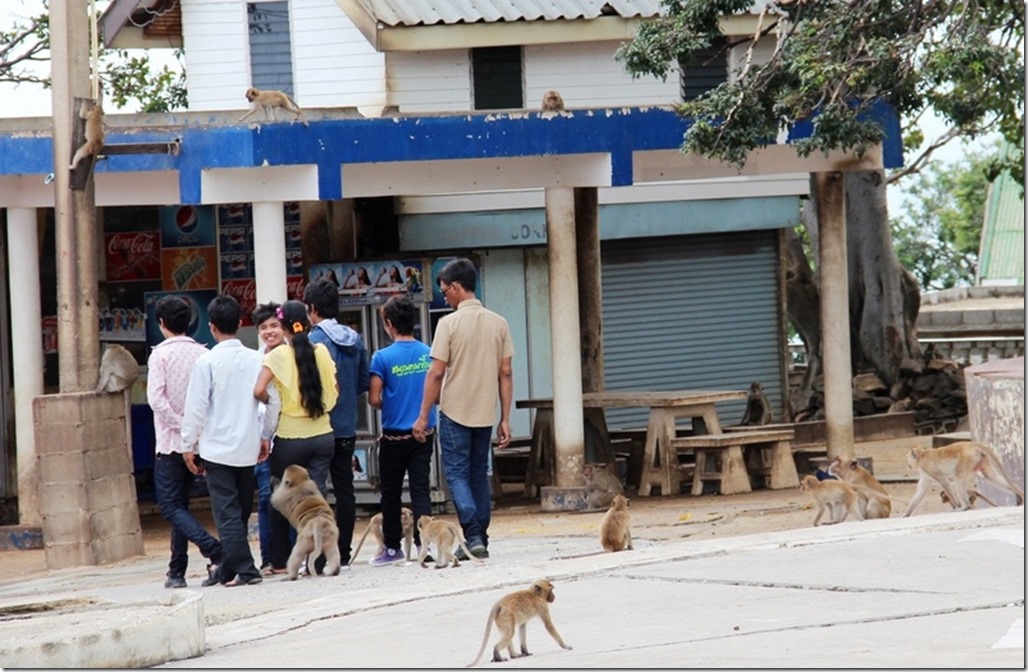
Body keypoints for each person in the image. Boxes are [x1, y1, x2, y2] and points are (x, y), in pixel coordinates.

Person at [413, 258, 514, 560]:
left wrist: (422, 416)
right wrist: (505, 418)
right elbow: (505, 373)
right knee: (478, 473)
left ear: (457, 287)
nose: (444, 297)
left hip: (455, 411)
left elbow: (435, 373)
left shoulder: (448, 324)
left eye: (444, 291)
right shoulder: (499, 323)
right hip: (485, 413)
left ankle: (471, 532)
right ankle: (479, 536)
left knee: (456, 474)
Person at [180, 295, 276, 587]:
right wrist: (265, 435)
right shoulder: (258, 359)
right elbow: (272, 402)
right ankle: (227, 571)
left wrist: (188, 445)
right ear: (240, 323)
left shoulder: (206, 362)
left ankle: (247, 570)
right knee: (241, 510)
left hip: (217, 448)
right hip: (248, 445)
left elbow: (195, 408)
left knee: (228, 514)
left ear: (211, 327)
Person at [254, 299, 339, 575]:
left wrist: (270, 405)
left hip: (290, 440)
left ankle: (279, 561)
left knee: (280, 499)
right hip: (324, 435)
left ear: (284, 327)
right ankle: (321, 559)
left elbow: (258, 390)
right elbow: (335, 390)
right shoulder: (323, 351)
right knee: (318, 497)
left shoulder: (276, 356)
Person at [147, 295, 224, 589]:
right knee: (181, 506)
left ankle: (213, 549)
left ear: (162, 323)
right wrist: (194, 428)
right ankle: (176, 571)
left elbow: (157, 400)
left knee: (170, 506)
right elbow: (209, 399)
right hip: (199, 442)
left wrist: (181, 427)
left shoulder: (160, 356)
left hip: (170, 442)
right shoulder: (203, 354)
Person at [304, 277, 370, 568]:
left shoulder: (312, 340)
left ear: (312, 308)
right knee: (345, 490)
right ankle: (342, 550)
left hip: (318, 427)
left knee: (316, 491)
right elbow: (363, 381)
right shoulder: (354, 339)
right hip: (346, 425)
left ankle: (318, 556)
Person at [368, 296, 436, 566]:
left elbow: (374, 399)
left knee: (391, 493)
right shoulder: (428, 352)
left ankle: (393, 549)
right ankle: (424, 545)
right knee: (421, 490)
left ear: (388, 324)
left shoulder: (382, 358)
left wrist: (392, 402)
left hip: (394, 437)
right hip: (424, 433)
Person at [250, 300, 286, 574]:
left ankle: (295, 556)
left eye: (274, 325)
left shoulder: (293, 355)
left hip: (289, 436)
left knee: (291, 498)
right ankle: (268, 560)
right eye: (263, 327)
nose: (269, 331)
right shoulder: (256, 359)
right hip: (263, 440)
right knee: (265, 499)